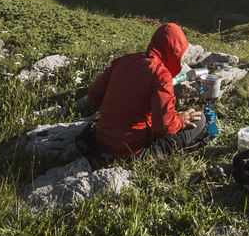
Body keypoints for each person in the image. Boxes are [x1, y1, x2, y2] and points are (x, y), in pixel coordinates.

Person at [87, 21, 207, 159]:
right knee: (200, 119)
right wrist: (179, 119)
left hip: (100, 141)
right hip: (130, 150)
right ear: (175, 50)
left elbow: (94, 95)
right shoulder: (161, 75)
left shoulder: (123, 60)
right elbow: (164, 126)